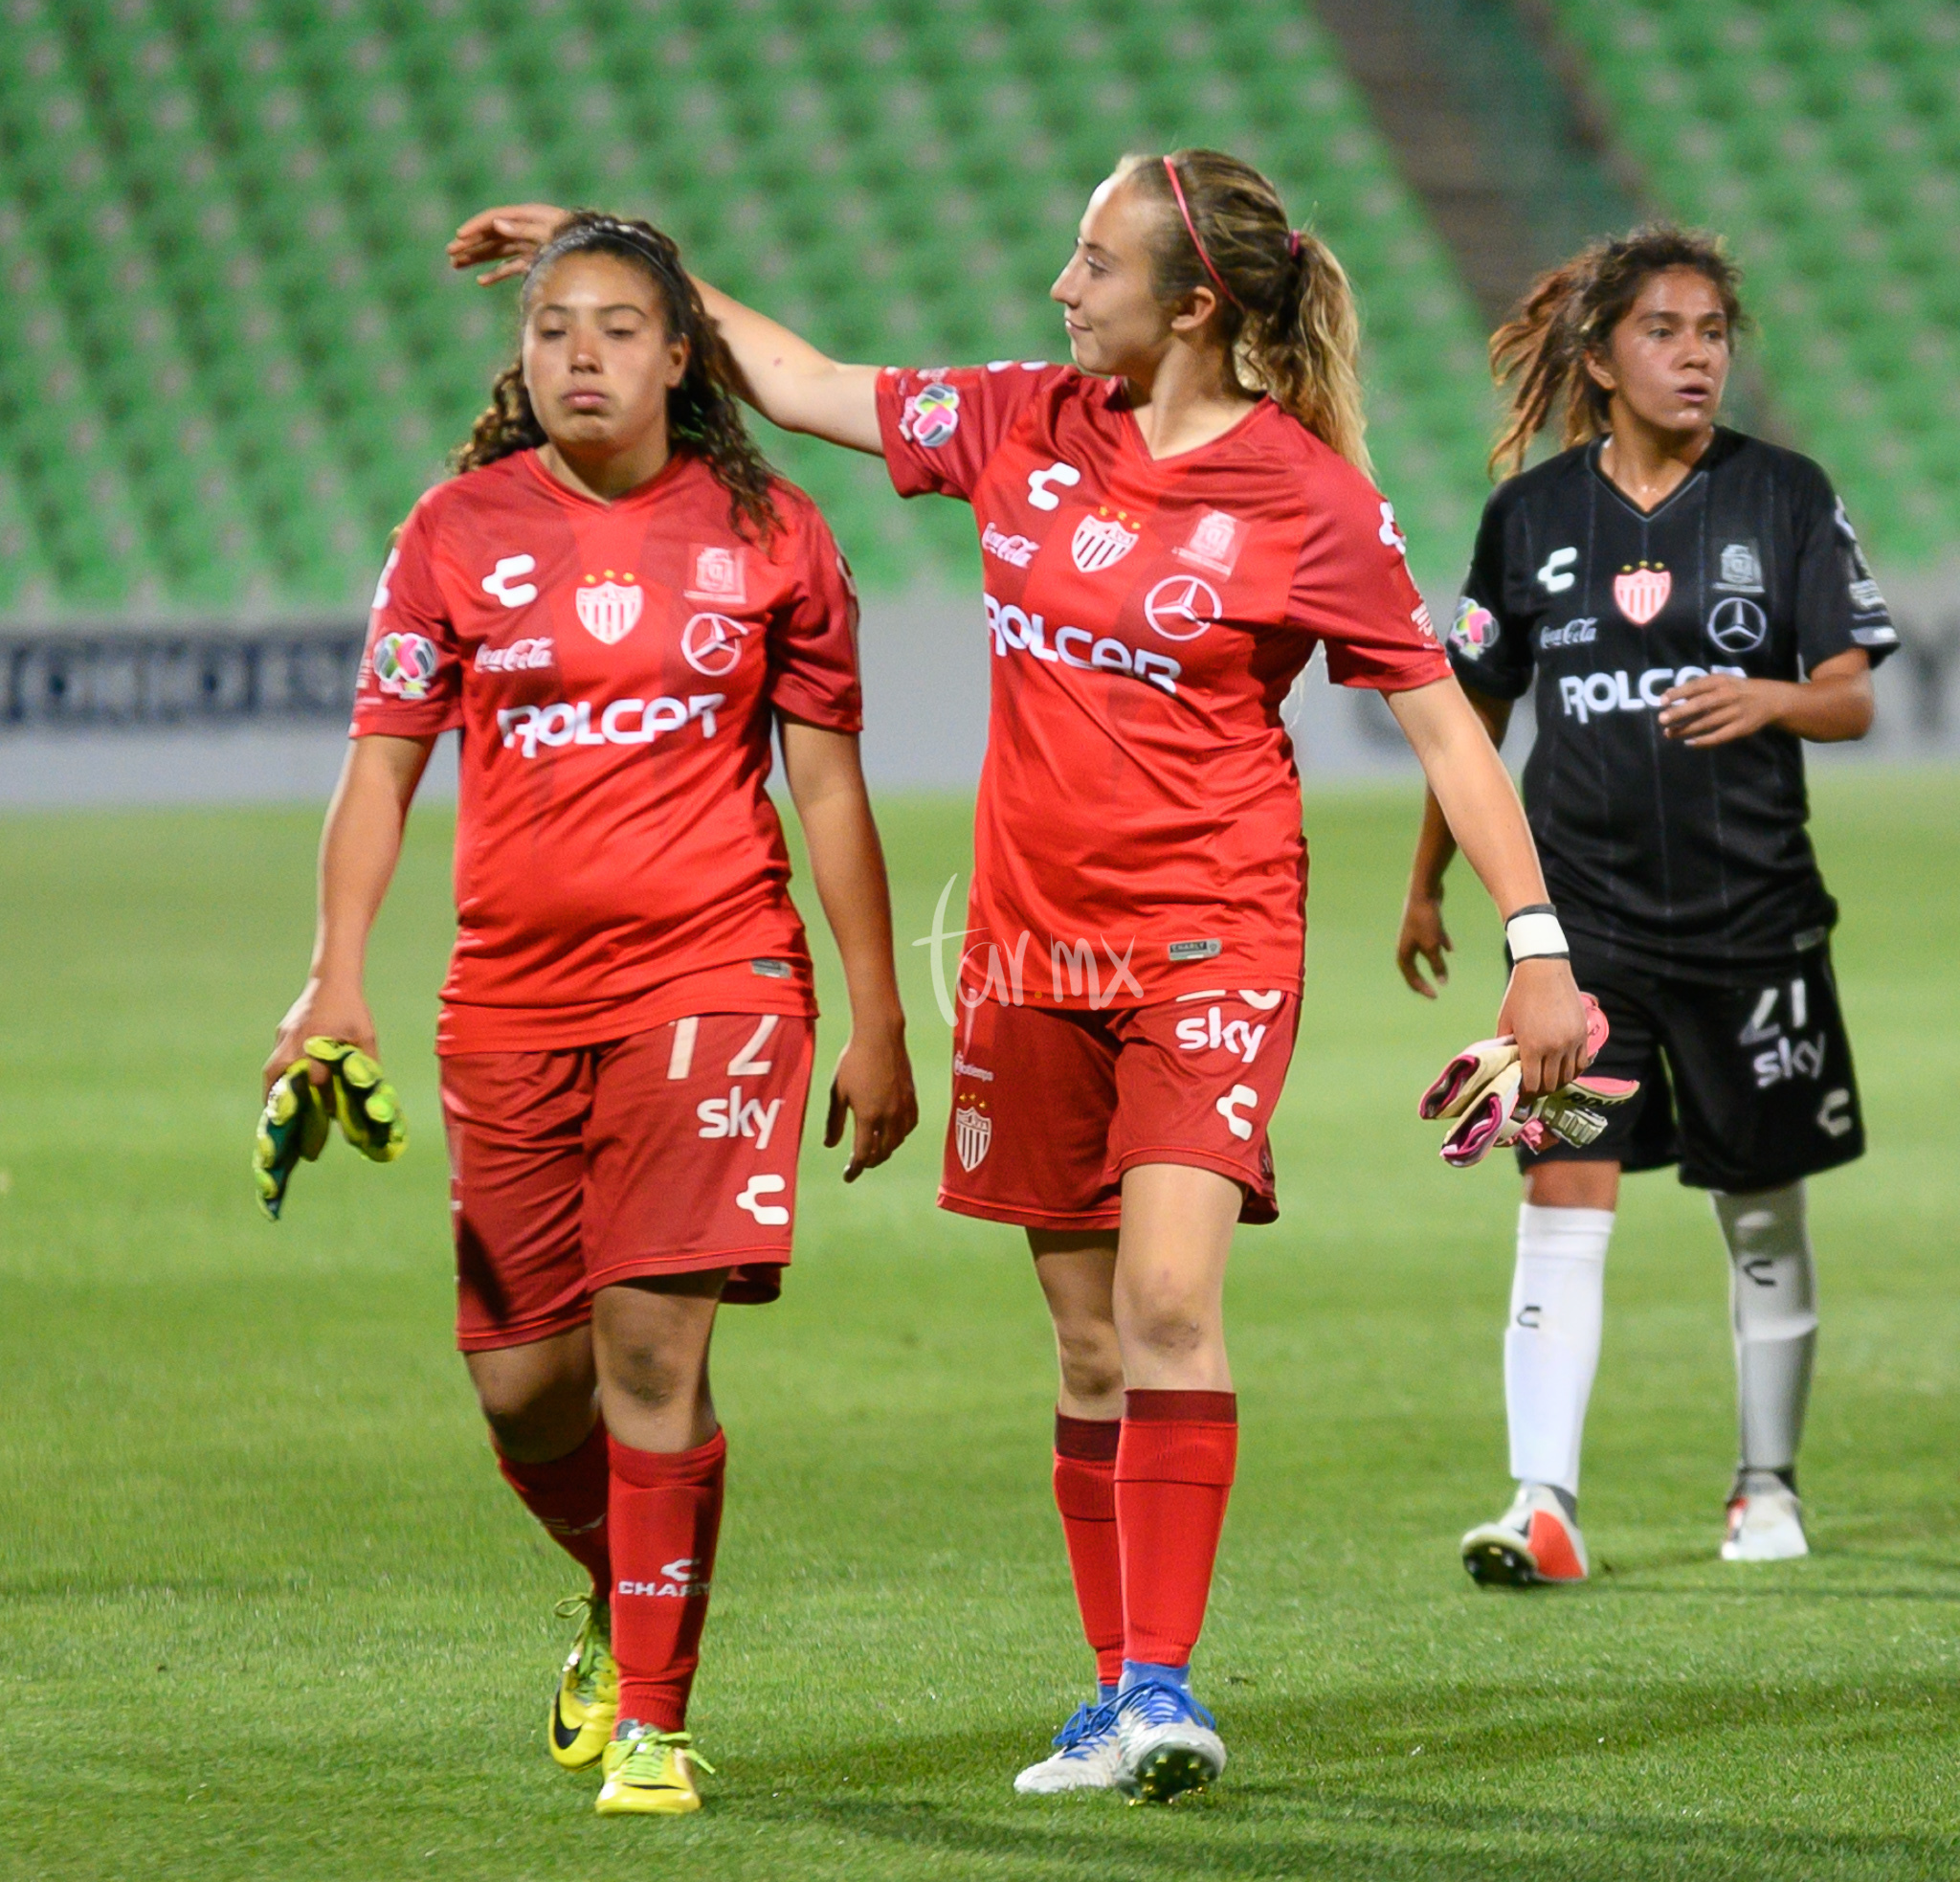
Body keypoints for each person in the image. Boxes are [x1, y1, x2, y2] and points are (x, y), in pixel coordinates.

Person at [451, 152, 1591, 1804]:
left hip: (1212, 932)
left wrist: (1538, 948)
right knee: (1084, 1348)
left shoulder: (1308, 498)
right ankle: (1115, 1694)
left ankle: (1166, 1684)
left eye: (1094, 262)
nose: (1063, 288)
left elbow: (1441, 724)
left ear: (1192, 304)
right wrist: (624, 262)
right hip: (1026, 951)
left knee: (1171, 1301)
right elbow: (812, 384)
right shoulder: (1020, 423)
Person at [265, 213, 917, 1818]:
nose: (580, 354)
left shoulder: (773, 533)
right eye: (554, 326)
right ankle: (622, 1583)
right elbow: (382, 766)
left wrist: (879, 1010)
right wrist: (332, 971)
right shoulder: (454, 533)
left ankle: (655, 1719)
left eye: (619, 327)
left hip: (715, 979)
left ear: (683, 355)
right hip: (506, 999)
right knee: (520, 1384)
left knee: (648, 1344)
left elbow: (826, 788)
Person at [1396, 224, 1898, 1586]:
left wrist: (1776, 697)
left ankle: (1765, 1488)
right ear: (1604, 355)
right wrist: (1429, 879)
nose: (1697, 357)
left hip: (1753, 926)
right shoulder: (1531, 520)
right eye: (1667, 333)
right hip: (1586, 937)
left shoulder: (1785, 496)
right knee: (1563, 1191)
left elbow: (1853, 692)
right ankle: (1542, 1502)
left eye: (1714, 334)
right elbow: (1475, 716)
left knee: (1758, 1209)